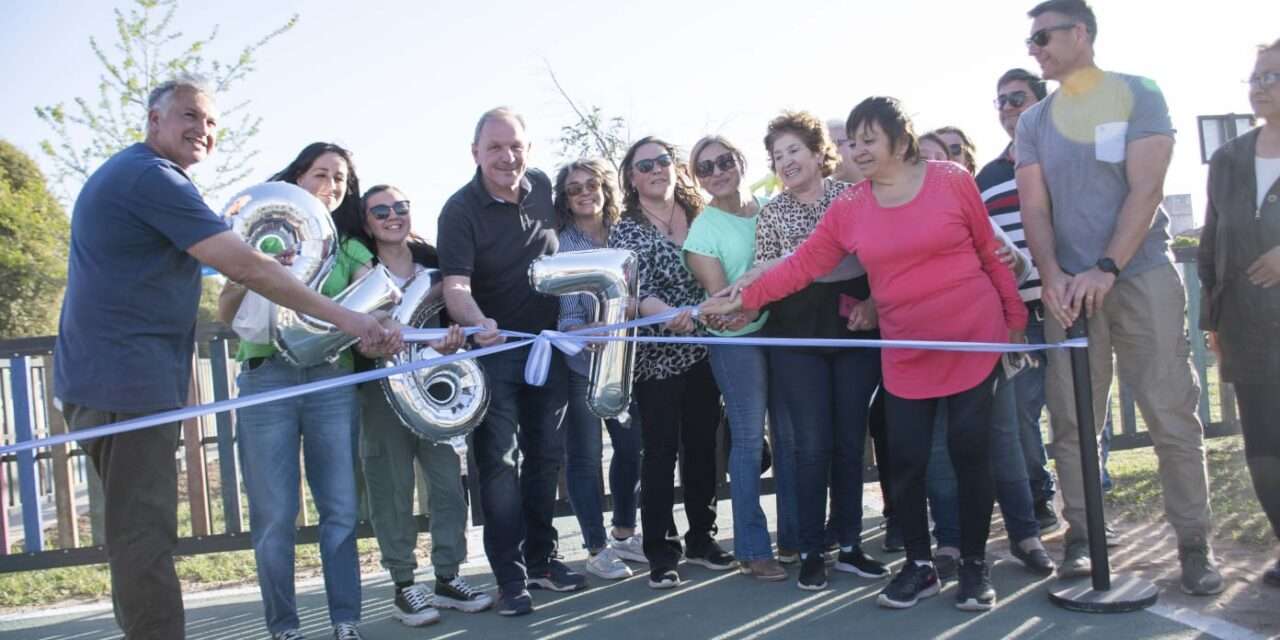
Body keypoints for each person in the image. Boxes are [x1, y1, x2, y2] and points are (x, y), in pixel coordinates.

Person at [53, 74, 391, 640]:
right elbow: (247, 269)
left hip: (116, 384)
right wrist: (353, 320)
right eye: (189, 116)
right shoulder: (151, 177)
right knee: (144, 538)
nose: (202, 129)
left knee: (140, 537)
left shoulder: (141, 176)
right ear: (154, 120)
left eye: (211, 121)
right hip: (122, 388)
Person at [706, 96, 1026, 611]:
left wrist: (1013, 323)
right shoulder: (850, 206)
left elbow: (990, 252)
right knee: (906, 459)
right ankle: (920, 566)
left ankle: (972, 567)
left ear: (901, 140)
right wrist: (742, 297)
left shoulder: (951, 179)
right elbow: (800, 266)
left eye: (868, 139)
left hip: (972, 338)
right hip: (904, 348)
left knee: (970, 453)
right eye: (852, 141)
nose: (857, 149)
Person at [1015, 0, 1223, 595]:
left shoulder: (1139, 93)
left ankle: (1193, 543)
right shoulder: (1035, 121)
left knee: (1171, 415)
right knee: (1074, 421)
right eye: (1030, 39)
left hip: (1141, 276)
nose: (1035, 47)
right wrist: (1052, 274)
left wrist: (1107, 267)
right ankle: (1083, 536)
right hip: (1067, 294)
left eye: (1044, 36)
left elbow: (1147, 186)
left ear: (1081, 34)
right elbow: (1035, 206)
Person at [218, 142, 397, 640]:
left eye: (341, 178)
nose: (332, 185)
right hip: (265, 378)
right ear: (297, 179)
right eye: (323, 174)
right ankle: (284, 628)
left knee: (339, 509)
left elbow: (380, 301)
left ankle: (345, 623)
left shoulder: (349, 246)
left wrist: (383, 322)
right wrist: (249, 269)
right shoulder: (257, 233)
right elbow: (227, 316)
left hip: (329, 379)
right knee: (274, 516)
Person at [437, 107, 583, 616]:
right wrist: (480, 325)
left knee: (547, 457)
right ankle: (509, 576)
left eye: (515, 145)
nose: (507, 156)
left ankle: (542, 561)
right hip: (493, 355)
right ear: (475, 153)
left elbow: (592, 209)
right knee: (498, 465)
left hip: (548, 350)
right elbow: (454, 285)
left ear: (529, 149)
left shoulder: (542, 187)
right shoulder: (460, 210)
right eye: (495, 147)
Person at [742, 112, 888, 592]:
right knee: (810, 445)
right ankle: (809, 549)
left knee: (849, 441)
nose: (786, 162)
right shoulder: (772, 213)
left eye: (794, 151)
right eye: (777, 155)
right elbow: (764, 275)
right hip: (796, 342)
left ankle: (847, 544)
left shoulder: (852, 199)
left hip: (853, 335)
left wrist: (870, 303)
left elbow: (878, 261)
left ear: (817, 152)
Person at [349, 184, 493, 626]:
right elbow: (355, 329)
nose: (393, 216)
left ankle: (448, 576)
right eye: (381, 210)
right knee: (391, 487)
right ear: (367, 220)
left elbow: (456, 318)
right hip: (381, 390)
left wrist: (454, 340)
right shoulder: (360, 267)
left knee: (448, 484)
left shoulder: (434, 264)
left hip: (434, 388)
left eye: (401, 207)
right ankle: (403, 585)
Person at [609, 136, 735, 589]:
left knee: (703, 445)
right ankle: (661, 552)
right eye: (645, 166)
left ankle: (703, 538)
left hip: (706, 346)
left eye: (662, 161)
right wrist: (662, 314)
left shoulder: (702, 213)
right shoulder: (626, 229)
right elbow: (629, 293)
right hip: (657, 355)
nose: (656, 170)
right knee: (660, 452)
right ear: (631, 178)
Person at [682, 135, 787, 581]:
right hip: (737, 341)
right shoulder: (702, 232)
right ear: (697, 180)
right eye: (705, 168)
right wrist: (755, 303)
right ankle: (752, 548)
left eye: (724, 161)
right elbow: (725, 303)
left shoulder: (772, 207)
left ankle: (800, 539)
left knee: (792, 436)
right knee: (747, 439)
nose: (717, 172)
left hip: (785, 333)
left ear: (740, 162)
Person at [1199, 38, 1280, 588]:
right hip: (1247, 325)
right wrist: (1213, 321)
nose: (1259, 85)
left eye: (1272, 76)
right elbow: (1212, 242)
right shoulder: (1228, 159)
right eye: (1256, 76)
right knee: (1265, 444)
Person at [972, 68, 1057, 575]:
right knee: (1022, 414)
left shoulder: (1067, 157)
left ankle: (1090, 505)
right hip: (1019, 314)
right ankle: (1039, 499)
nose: (1007, 108)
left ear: (1040, 102)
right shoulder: (987, 178)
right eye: (999, 101)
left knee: (1079, 414)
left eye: (1017, 98)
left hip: (1069, 306)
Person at [552, 159, 646, 580]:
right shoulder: (562, 244)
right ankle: (595, 546)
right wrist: (599, 323)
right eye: (574, 189)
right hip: (581, 364)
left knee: (632, 448)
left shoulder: (624, 235)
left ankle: (625, 531)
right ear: (565, 198)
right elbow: (567, 318)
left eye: (592, 184)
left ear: (606, 188)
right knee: (584, 457)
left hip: (626, 363)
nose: (585, 192)